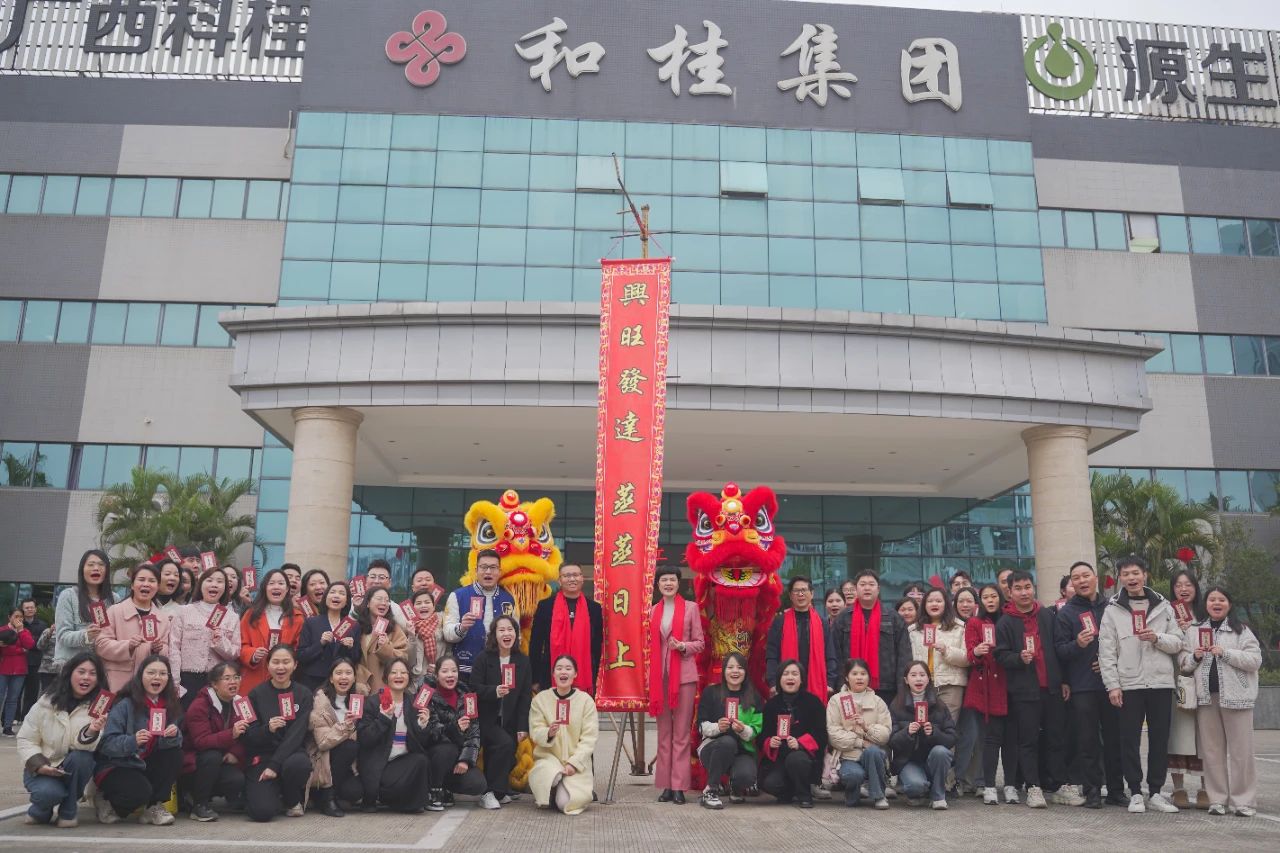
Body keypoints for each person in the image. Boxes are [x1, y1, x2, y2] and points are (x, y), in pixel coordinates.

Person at [1098, 555, 1184, 814]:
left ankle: (1156, 791)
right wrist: (1113, 685)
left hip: (1160, 682)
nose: (1131, 578)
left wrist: (1157, 638)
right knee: (1129, 740)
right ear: (1120, 578)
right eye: (1126, 574)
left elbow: (1178, 642)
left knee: (1159, 739)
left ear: (1145, 575)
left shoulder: (1163, 606)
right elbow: (1106, 651)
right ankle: (1135, 791)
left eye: (1135, 572)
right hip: (1129, 684)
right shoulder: (1113, 609)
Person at [1179, 586, 1262, 817]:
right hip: (1206, 699)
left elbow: (1255, 660)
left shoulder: (1241, 630)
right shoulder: (1194, 630)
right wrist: (1195, 656)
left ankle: (1243, 801)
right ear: (1205, 604)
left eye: (1221, 600)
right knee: (1212, 752)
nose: (1216, 603)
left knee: (1241, 752)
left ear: (1229, 604)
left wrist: (1225, 653)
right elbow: (1183, 663)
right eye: (1212, 599)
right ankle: (1217, 800)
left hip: (1238, 698)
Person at [994, 570, 1069, 809]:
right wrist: (1019, 658)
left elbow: (1058, 648)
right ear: (1010, 592)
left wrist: (1063, 680)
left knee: (1056, 737)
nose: (1024, 592)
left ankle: (1059, 785)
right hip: (1025, 691)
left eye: (1027, 587)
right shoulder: (1005, 622)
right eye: (1018, 588)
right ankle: (1033, 786)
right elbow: (1000, 655)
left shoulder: (1047, 615)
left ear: (1033, 588)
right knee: (1028, 740)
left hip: (1052, 687)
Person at [1054, 560, 1124, 809]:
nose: (1082, 581)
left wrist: (1108, 664)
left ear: (1095, 578)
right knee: (1087, 740)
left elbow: (1125, 643)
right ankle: (1092, 789)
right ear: (1071, 584)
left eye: (1086, 575)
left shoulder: (1113, 608)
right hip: (1082, 686)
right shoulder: (1066, 614)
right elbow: (1059, 650)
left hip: (1112, 684)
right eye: (1076, 578)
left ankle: (1117, 790)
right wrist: (1078, 645)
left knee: (1115, 739)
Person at [16, 652, 107, 827]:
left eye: (92, 673)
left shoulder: (99, 707)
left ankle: (68, 811)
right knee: (48, 794)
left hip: (72, 766)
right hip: (44, 765)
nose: (86, 677)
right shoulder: (45, 703)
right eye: (81, 671)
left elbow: (85, 747)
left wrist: (92, 730)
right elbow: (26, 739)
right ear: (69, 673)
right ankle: (40, 810)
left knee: (82, 758)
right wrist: (39, 765)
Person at [93, 654, 184, 826]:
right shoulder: (124, 704)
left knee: (175, 754)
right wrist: (132, 741)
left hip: (145, 762)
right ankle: (106, 800)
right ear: (140, 675)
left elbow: (171, 744)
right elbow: (106, 744)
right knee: (139, 793)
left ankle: (153, 806)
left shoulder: (171, 705)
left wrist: (174, 736)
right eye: (151, 672)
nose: (157, 677)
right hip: (119, 764)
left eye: (162, 674)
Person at [648, 566, 705, 804]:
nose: (668, 583)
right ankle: (665, 785)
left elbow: (700, 643)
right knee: (664, 734)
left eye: (672, 579)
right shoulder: (652, 611)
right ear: (658, 585)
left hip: (683, 677)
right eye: (664, 580)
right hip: (659, 678)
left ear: (678, 583)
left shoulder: (691, 608)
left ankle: (679, 786)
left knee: (681, 734)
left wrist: (682, 646)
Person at [239, 644, 314, 821]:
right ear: (268, 665)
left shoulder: (303, 693)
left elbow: (297, 734)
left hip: (291, 754)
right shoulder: (256, 694)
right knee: (262, 813)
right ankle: (267, 793)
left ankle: (291, 798)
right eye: (276, 662)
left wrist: (275, 765)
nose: (281, 667)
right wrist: (268, 729)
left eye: (286, 662)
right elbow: (249, 736)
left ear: (295, 665)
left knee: (299, 764)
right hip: (263, 756)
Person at [909, 587, 969, 796]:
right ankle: (922, 777)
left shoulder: (959, 627)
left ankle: (945, 781)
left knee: (946, 732)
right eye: (930, 601)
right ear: (924, 604)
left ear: (947, 604)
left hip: (950, 685)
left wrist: (946, 650)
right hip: (922, 687)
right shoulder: (914, 629)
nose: (934, 604)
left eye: (939, 600)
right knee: (922, 729)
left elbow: (968, 658)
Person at [354, 658, 434, 813]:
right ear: (386, 677)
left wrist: (422, 725)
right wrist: (384, 718)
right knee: (397, 787)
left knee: (421, 760)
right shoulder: (373, 702)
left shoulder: (413, 702)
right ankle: (380, 796)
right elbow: (365, 738)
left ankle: (413, 803)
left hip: (401, 762)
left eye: (403, 672)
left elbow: (421, 743)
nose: (399, 676)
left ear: (409, 677)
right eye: (394, 672)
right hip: (378, 763)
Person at [470, 615, 532, 809]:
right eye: (501, 630)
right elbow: (473, 688)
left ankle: (498, 790)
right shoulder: (484, 658)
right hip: (486, 718)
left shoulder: (522, 661)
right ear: (494, 635)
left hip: (510, 719)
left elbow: (524, 697)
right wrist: (494, 691)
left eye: (510, 629)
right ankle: (488, 792)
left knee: (507, 751)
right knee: (503, 743)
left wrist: (522, 726)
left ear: (516, 634)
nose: (507, 633)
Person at [529, 654, 599, 815]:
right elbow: (535, 730)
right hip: (549, 759)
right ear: (553, 674)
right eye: (559, 668)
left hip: (576, 765)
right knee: (553, 776)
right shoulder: (540, 699)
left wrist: (574, 763)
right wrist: (548, 733)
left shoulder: (586, 701)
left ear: (575, 674)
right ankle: (553, 786)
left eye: (568, 668)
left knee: (565, 804)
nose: (563, 672)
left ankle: (558, 792)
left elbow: (589, 738)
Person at [832, 571, 913, 708]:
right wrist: (840, 685)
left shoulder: (893, 618)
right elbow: (836, 654)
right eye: (862, 584)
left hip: (886, 687)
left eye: (871, 584)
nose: (867, 588)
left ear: (878, 589)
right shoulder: (843, 618)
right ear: (856, 589)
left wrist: (902, 690)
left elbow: (904, 656)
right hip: (850, 686)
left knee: (883, 721)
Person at [180, 661, 249, 822]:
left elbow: (249, 734)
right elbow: (201, 741)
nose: (233, 682)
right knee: (212, 756)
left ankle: (228, 797)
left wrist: (235, 753)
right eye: (227, 678)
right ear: (214, 684)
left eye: (236, 677)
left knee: (236, 780)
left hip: (223, 758)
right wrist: (231, 734)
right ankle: (199, 804)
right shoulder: (199, 705)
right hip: (195, 760)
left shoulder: (242, 703)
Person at [419, 655, 487, 810]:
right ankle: (434, 790)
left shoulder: (467, 696)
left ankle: (445, 787)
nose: (450, 675)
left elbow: (474, 732)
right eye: (445, 671)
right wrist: (455, 728)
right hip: (434, 754)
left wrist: (465, 760)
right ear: (436, 674)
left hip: (457, 755)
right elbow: (431, 733)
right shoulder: (426, 695)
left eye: (454, 671)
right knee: (446, 750)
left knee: (478, 784)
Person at [695, 652, 761, 809]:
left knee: (746, 776)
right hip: (712, 748)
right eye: (730, 667)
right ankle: (710, 791)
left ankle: (735, 786)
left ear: (745, 671)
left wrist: (743, 730)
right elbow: (701, 725)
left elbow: (757, 728)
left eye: (739, 667)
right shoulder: (711, 692)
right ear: (724, 671)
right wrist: (718, 727)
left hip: (742, 750)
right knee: (727, 742)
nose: (735, 671)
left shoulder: (753, 696)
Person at [759, 659, 827, 808]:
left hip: (805, 758)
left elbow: (821, 735)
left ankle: (805, 795)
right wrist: (770, 741)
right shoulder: (771, 705)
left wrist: (800, 743)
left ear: (801, 679)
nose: (790, 677)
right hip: (780, 758)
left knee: (796, 759)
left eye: (795, 674)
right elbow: (762, 735)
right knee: (769, 783)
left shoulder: (813, 702)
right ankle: (790, 792)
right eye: (786, 674)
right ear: (779, 679)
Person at [888, 660, 956, 810]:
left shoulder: (939, 705)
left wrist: (934, 733)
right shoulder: (896, 705)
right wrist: (907, 732)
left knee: (941, 752)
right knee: (915, 786)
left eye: (922, 675)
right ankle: (921, 788)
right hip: (908, 761)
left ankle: (938, 796)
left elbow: (952, 738)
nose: (918, 679)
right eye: (913, 675)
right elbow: (891, 741)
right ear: (906, 680)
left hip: (932, 759)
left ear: (928, 679)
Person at [170, 568, 242, 709]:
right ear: (200, 584)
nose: (214, 584)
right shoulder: (184, 611)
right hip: (188, 678)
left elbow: (235, 653)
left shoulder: (232, 617)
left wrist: (220, 641)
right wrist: (175, 680)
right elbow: (174, 647)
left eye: (219, 581)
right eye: (209, 580)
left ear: (225, 588)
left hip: (218, 681)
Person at [966, 584, 1011, 804]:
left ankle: (1011, 783)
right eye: (985, 597)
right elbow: (970, 653)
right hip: (984, 686)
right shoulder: (974, 623)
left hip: (1008, 682)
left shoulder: (1008, 620)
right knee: (987, 738)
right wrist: (976, 651)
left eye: (994, 596)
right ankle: (986, 783)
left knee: (1010, 738)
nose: (990, 600)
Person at [528, 563, 604, 693]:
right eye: (567, 576)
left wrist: (595, 676)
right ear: (559, 580)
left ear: (582, 578)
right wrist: (534, 679)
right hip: (550, 675)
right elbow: (536, 644)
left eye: (576, 575)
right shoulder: (546, 606)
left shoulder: (594, 609)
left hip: (584, 674)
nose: (572, 579)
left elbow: (597, 647)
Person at [95, 563, 170, 693]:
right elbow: (101, 644)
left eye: (152, 581)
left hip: (148, 686)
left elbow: (166, 650)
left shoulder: (163, 619)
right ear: (132, 585)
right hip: (116, 683)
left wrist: (158, 649)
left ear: (158, 587)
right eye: (141, 579)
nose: (146, 584)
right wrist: (128, 646)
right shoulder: (114, 611)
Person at [442, 550, 518, 679]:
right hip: (465, 670)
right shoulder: (458, 596)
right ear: (476, 570)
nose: (488, 572)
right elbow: (447, 634)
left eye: (493, 567)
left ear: (499, 571)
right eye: (484, 567)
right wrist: (462, 627)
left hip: (497, 670)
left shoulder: (508, 599)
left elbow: (517, 635)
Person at [827, 657, 891, 809]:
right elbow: (833, 734)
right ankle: (853, 793)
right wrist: (860, 742)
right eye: (854, 674)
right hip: (848, 756)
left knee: (873, 752)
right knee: (853, 776)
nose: (859, 677)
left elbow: (885, 734)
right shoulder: (836, 701)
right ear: (846, 678)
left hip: (873, 755)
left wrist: (866, 727)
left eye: (863, 674)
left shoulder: (878, 701)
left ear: (868, 677)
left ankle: (879, 796)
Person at [1168, 567, 1207, 809]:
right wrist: (1178, 630)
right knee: (1178, 734)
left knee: (1205, 736)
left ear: (1196, 587)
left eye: (1188, 584)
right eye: (1178, 585)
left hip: (1204, 682)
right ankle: (1178, 789)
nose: (1183, 589)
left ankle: (1206, 788)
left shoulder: (1206, 613)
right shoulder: (1167, 613)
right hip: (1177, 680)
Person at [307, 658, 364, 817]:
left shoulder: (359, 699)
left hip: (347, 762)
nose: (343, 677)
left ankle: (324, 795)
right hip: (323, 758)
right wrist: (346, 726)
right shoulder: (321, 702)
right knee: (349, 746)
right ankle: (327, 798)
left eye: (348, 673)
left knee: (355, 792)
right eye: (338, 673)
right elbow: (323, 742)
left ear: (354, 677)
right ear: (331, 678)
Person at [766, 576, 837, 702]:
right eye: (796, 591)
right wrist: (772, 682)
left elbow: (830, 654)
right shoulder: (780, 622)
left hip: (816, 682)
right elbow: (771, 655)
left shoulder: (822, 622)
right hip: (787, 682)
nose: (800, 594)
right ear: (790, 595)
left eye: (804, 590)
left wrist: (830, 682)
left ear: (812, 593)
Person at [239, 568, 304, 696]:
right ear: (265, 588)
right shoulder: (251, 614)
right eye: (271, 583)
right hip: (254, 675)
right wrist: (253, 654)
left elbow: (299, 649)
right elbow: (240, 645)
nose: (276, 587)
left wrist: (286, 658)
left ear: (287, 589)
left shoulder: (298, 617)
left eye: (281, 583)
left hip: (283, 676)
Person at [54, 550, 116, 666]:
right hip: (72, 665)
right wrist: (86, 635)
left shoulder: (114, 599)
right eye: (91, 564)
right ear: (82, 570)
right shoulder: (68, 596)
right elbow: (62, 636)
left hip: (103, 666)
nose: (96, 568)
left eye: (101, 564)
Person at [297, 581, 360, 690]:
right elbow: (301, 655)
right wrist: (321, 643)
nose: (336, 595)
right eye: (332, 592)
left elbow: (356, 658)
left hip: (341, 682)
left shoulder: (353, 625)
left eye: (341, 593)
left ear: (346, 601)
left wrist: (351, 647)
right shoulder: (311, 622)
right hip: (314, 681)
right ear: (325, 598)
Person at [355, 587, 410, 694]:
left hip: (384, 688)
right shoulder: (357, 627)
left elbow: (403, 658)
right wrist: (360, 677)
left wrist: (385, 647)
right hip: (361, 688)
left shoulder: (394, 629)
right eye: (379, 599)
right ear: (368, 603)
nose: (384, 603)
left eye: (387, 600)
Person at [1, 608, 35, 735]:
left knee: (13, 699)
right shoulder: (2, 630)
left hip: (20, 669)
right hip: (3, 667)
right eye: (16, 616)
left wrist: (21, 631)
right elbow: (6, 650)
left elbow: (30, 645)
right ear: (9, 617)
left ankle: (8, 726)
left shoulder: (25, 631)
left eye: (21, 616)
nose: (19, 619)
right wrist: (21, 650)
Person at [19, 598, 49, 721]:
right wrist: (32, 641)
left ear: (35, 609)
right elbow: (14, 641)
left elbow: (41, 644)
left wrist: (28, 642)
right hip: (20, 661)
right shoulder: (18, 624)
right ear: (22, 609)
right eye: (27, 608)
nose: (29, 609)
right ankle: (14, 717)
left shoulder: (42, 625)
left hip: (35, 662)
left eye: (32, 607)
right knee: (16, 691)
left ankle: (26, 717)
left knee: (32, 692)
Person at [406, 589, 443, 688]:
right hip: (416, 682)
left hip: (441, 679)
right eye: (418, 603)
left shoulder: (442, 623)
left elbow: (449, 652)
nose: (423, 606)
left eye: (427, 602)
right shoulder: (409, 626)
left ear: (433, 606)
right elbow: (409, 661)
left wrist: (439, 667)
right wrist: (411, 636)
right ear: (413, 608)